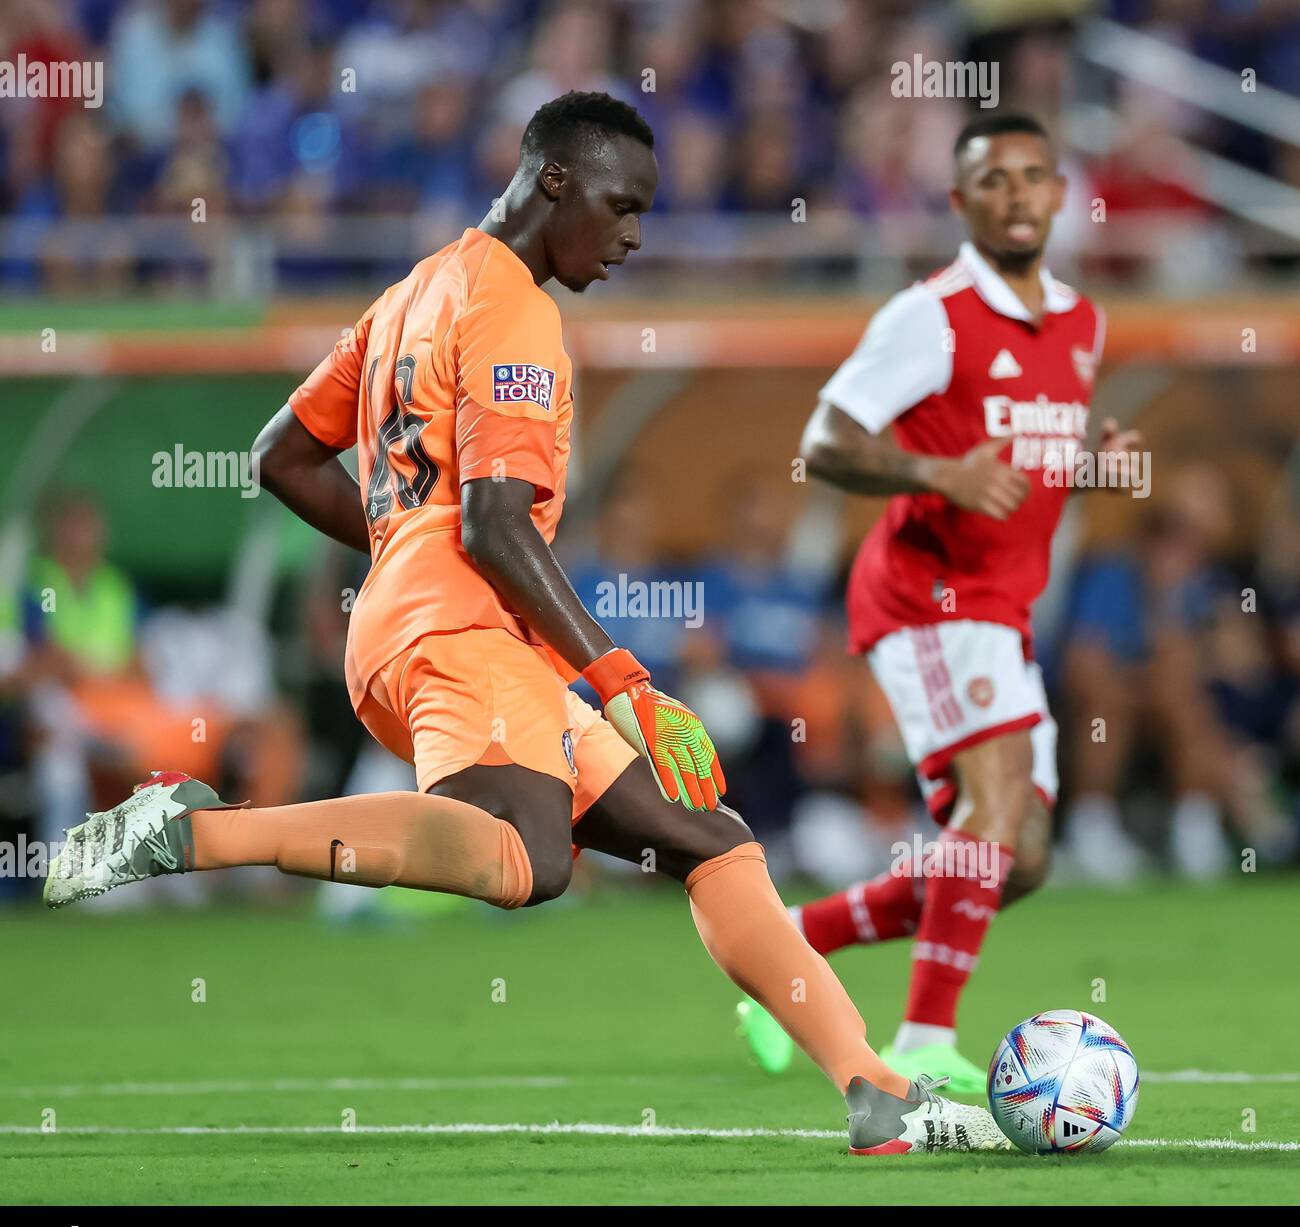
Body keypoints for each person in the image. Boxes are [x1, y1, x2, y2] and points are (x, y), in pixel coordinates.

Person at [44, 91, 1005, 1156]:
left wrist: (405, 548)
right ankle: (195, 831)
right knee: (529, 858)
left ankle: (873, 1090)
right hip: (458, 629)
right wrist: (624, 678)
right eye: (621, 204)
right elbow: (500, 527)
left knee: (707, 837)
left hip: (438, 622)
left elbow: (281, 456)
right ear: (555, 179)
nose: (634, 234)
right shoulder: (514, 311)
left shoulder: (415, 291)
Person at [739, 113, 1142, 1097]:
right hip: (927, 593)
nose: (1014, 195)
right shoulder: (931, 314)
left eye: (1030, 177)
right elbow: (826, 439)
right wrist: (939, 475)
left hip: (1003, 608)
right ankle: (921, 1038)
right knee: (991, 808)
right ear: (959, 202)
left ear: (1058, 194)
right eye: (990, 180)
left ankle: (789, 947)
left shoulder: (1083, 325)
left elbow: (1026, 460)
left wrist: (1091, 467)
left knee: (1024, 858)